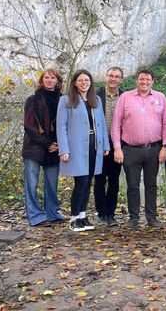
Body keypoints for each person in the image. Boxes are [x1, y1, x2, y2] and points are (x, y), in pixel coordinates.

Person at [111, 69, 166, 229]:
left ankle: (152, 218)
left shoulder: (160, 98)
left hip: (154, 149)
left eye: (148, 79)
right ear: (136, 81)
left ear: (152, 81)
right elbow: (116, 124)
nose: (144, 82)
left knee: (151, 185)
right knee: (133, 185)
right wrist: (117, 148)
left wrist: (165, 146)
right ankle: (133, 218)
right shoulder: (125, 97)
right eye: (141, 79)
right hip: (130, 150)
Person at [57, 70, 110, 232]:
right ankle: (74, 218)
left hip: (94, 145)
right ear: (74, 82)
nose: (84, 83)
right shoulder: (65, 100)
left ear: (91, 82)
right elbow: (61, 126)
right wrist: (64, 149)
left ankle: (82, 215)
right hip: (77, 148)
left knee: (88, 182)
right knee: (80, 182)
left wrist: (105, 145)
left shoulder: (97, 100)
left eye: (87, 80)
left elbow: (101, 124)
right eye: (80, 80)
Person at [22, 68, 66, 227]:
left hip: (56, 147)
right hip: (34, 147)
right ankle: (36, 216)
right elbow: (29, 126)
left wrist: (60, 144)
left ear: (57, 81)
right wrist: (47, 144)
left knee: (52, 182)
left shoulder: (63, 100)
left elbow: (66, 124)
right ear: (42, 80)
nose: (49, 80)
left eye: (52, 77)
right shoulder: (32, 100)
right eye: (46, 77)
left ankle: (52, 212)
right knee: (31, 182)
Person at [94, 66, 124, 226]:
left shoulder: (125, 97)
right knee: (99, 180)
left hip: (117, 145)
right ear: (106, 77)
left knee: (114, 180)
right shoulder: (96, 96)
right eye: (111, 75)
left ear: (121, 80)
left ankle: (111, 213)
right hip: (99, 145)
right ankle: (101, 214)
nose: (113, 79)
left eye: (117, 76)